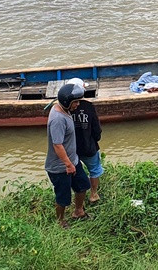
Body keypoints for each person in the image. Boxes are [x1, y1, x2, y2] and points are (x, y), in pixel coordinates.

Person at [45, 83, 91, 228]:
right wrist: (68, 164)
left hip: (72, 160)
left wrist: (73, 162)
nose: (78, 105)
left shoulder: (63, 110)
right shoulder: (58, 119)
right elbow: (57, 145)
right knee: (63, 198)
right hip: (60, 167)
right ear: (66, 102)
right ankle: (60, 221)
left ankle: (78, 211)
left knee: (83, 185)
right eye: (75, 102)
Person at [67, 78, 103, 204]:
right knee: (94, 169)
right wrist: (96, 139)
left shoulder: (64, 109)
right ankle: (93, 194)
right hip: (88, 147)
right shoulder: (89, 107)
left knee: (75, 171)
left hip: (72, 149)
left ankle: (77, 195)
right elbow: (96, 129)